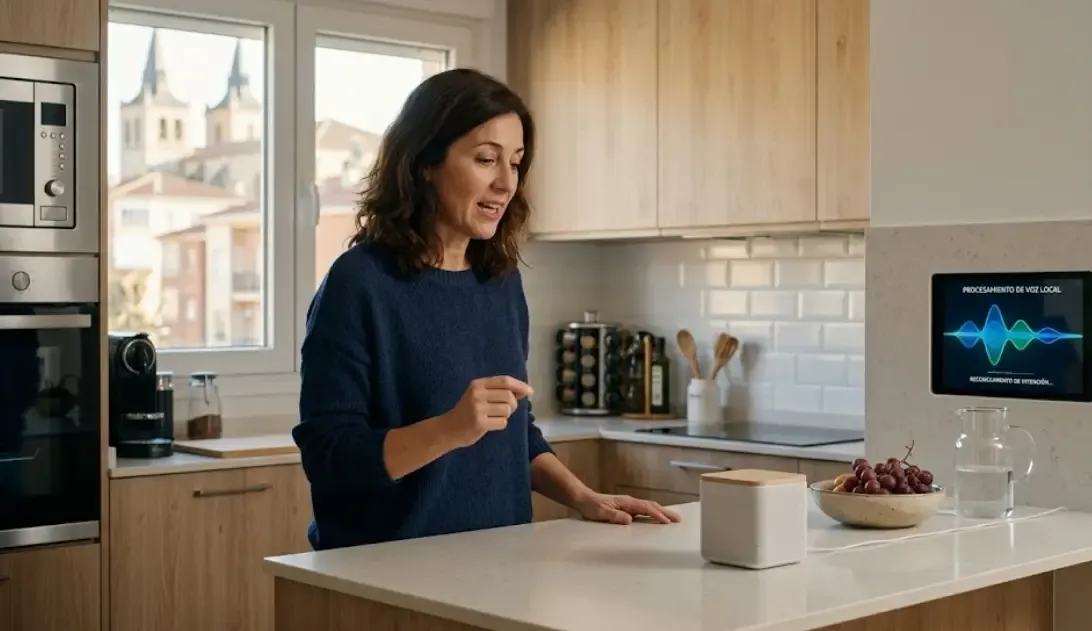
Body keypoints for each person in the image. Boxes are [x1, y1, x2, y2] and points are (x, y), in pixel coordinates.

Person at [293, 68, 681, 551]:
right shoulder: (359, 283)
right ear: (424, 163)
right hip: (385, 573)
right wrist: (450, 429)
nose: (506, 183)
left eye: (515, 163)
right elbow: (331, 459)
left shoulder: (498, 279)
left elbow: (514, 429)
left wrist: (583, 497)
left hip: (500, 560)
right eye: (485, 159)